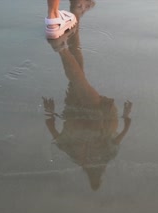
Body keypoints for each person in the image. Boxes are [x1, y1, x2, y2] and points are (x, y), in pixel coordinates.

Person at [43, 0, 133, 190]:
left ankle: (61, 44)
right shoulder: (82, 158)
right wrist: (50, 114)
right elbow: (55, 134)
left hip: (97, 115)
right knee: (78, 77)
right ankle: (76, 14)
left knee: (78, 78)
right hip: (81, 115)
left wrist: (126, 117)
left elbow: (121, 135)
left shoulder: (100, 156)